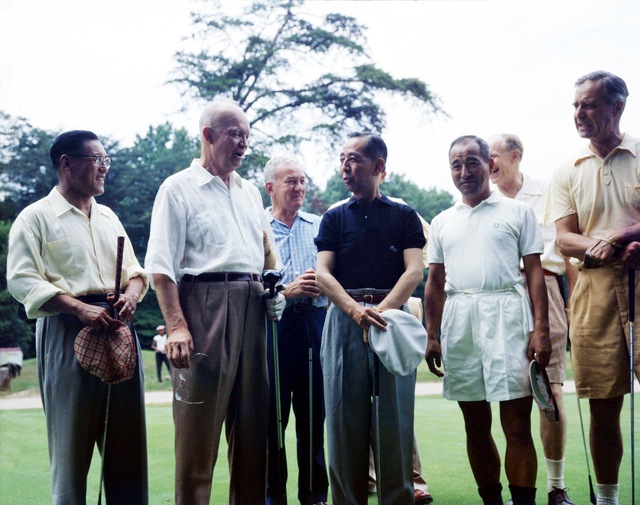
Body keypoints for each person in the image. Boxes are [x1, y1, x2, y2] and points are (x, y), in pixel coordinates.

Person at [144, 99, 285, 505]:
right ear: (208, 135)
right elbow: (161, 267)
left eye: (247, 136)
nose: (243, 144)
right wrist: (176, 325)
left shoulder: (249, 192)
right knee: (197, 431)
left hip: (254, 304)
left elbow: (266, 257)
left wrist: (274, 296)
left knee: (254, 431)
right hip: (203, 305)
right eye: (235, 135)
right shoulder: (177, 188)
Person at [6, 130, 149, 504]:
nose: (104, 168)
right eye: (96, 159)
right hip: (66, 331)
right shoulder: (35, 217)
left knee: (129, 447)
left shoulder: (109, 218)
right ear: (66, 164)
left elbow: (135, 272)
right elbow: (21, 279)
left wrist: (132, 296)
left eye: (107, 160)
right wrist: (77, 307)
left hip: (120, 330)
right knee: (71, 451)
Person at [424, 135, 550, 505]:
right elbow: (434, 282)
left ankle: (523, 502)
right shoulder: (442, 221)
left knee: (516, 425)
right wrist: (433, 335)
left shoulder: (517, 212)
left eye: (472, 162)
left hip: (508, 319)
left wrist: (540, 330)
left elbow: (535, 273)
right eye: (456, 165)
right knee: (475, 427)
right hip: (460, 322)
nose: (464, 172)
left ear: (488, 164)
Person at [315, 132, 426, 504]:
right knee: (344, 421)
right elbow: (323, 274)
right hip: (345, 321)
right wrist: (353, 310)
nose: (345, 167)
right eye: (342, 158)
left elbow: (415, 271)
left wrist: (383, 310)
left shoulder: (404, 215)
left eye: (354, 159)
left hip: (391, 319)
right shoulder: (333, 217)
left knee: (394, 423)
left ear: (379, 167)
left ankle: (397, 498)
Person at [547, 70, 640, 505]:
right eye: (576, 106)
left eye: (589, 105)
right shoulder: (568, 170)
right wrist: (608, 244)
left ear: (617, 107)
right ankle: (607, 501)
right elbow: (565, 237)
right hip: (593, 289)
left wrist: (617, 239)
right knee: (602, 408)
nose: (579, 114)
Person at [488, 133, 575, 505]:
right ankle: (520, 491)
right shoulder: (482, 199)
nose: (487, 164)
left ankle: (557, 487)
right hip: (499, 299)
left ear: (515, 156)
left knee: (550, 391)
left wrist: (574, 304)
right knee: (507, 393)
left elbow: (567, 255)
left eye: (492, 156)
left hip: (548, 290)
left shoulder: (546, 191)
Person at [263, 156, 329, 505]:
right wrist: (287, 291)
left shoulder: (319, 225)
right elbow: (250, 284)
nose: (299, 188)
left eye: (302, 181)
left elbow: (335, 274)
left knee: (313, 417)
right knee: (274, 419)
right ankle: (275, 496)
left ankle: (315, 495)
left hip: (314, 324)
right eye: (291, 181)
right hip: (273, 327)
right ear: (270, 187)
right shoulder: (256, 227)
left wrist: (324, 285)